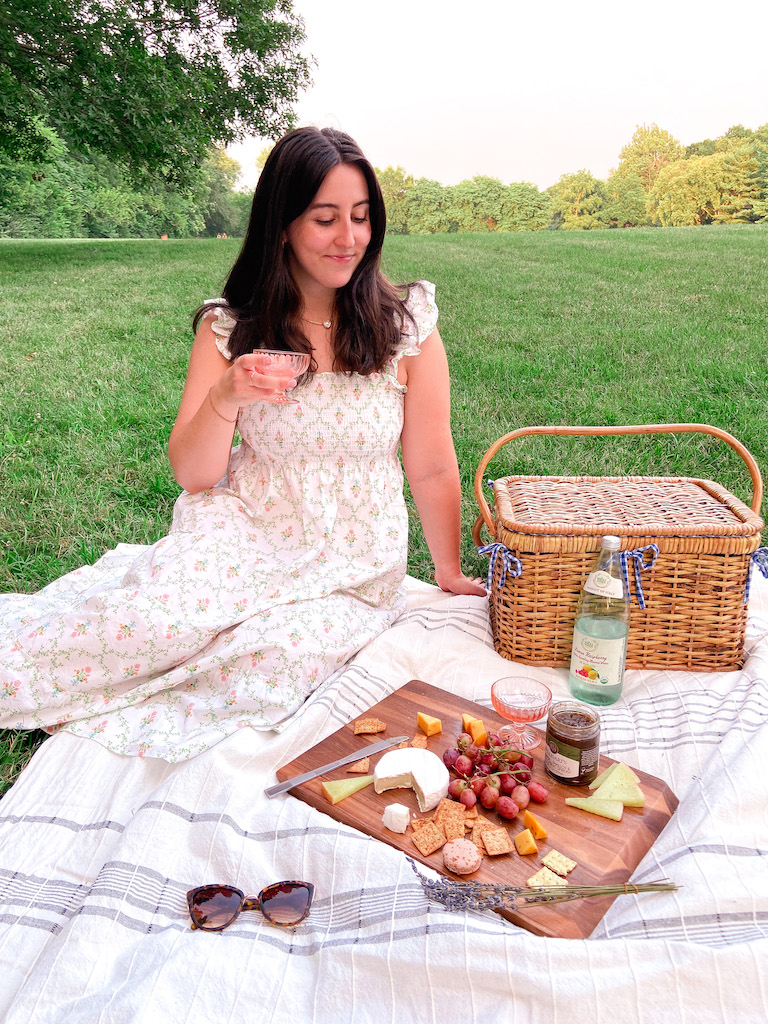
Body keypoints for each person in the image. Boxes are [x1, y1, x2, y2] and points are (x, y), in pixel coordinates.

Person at [0, 127, 485, 761]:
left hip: (351, 561)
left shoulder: (404, 325)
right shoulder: (231, 327)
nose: (350, 238)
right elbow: (196, 476)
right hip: (245, 531)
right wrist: (225, 395)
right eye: (326, 218)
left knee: (271, 660)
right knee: (155, 624)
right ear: (282, 224)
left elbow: (430, 463)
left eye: (362, 217)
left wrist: (445, 569)